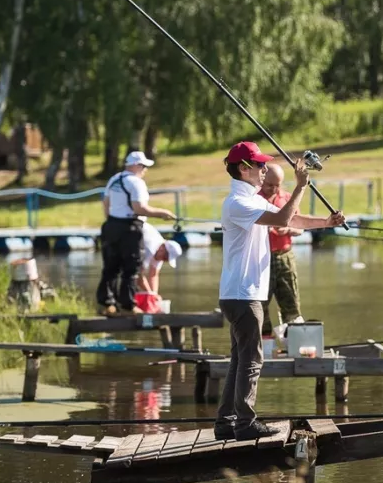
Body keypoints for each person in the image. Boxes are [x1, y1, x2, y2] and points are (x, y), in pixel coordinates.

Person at [214, 141, 346, 441]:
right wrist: (301, 185)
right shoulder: (238, 202)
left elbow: (293, 219)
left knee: (240, 359)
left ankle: (225, 423)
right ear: (243, 169)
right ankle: (245, 425)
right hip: (243, 295)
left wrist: (326, 222)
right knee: (251, 360)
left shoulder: (252, 198)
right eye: (259, 165)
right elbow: (283, 218)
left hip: (241, 294)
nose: (263, 169)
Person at [96, 151, 176, 316]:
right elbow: (139, 208)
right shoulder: (136, 183)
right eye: (144, 166)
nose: (145, 170)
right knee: (131, 267)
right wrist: (162, 213)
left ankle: (107, 304)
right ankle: (128, 305)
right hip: (130, 228)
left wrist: (112, 221)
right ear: (137, 166)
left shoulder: (113, 179)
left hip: (110, 225)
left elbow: (106, 204)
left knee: (110, 267)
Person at [258, 163, 305, 339]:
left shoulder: (287, 198)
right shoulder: (254, 200)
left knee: (291, 302)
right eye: (270, 185)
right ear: (262, 180)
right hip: (262, 259)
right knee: (260, 303)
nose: (274, 189)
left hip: (284, 256)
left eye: (277, 185)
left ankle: (295, 344)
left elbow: (300, 227)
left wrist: (289, 230)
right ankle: (264, 345)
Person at [138, 222, 184, 296]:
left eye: (166, 259)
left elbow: (154, 275)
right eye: (165, 257)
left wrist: (154, 294)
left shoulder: (160, 248)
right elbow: (138, 275)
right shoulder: (150, 249)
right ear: (163, 248)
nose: (163, 260)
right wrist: (150, 294)